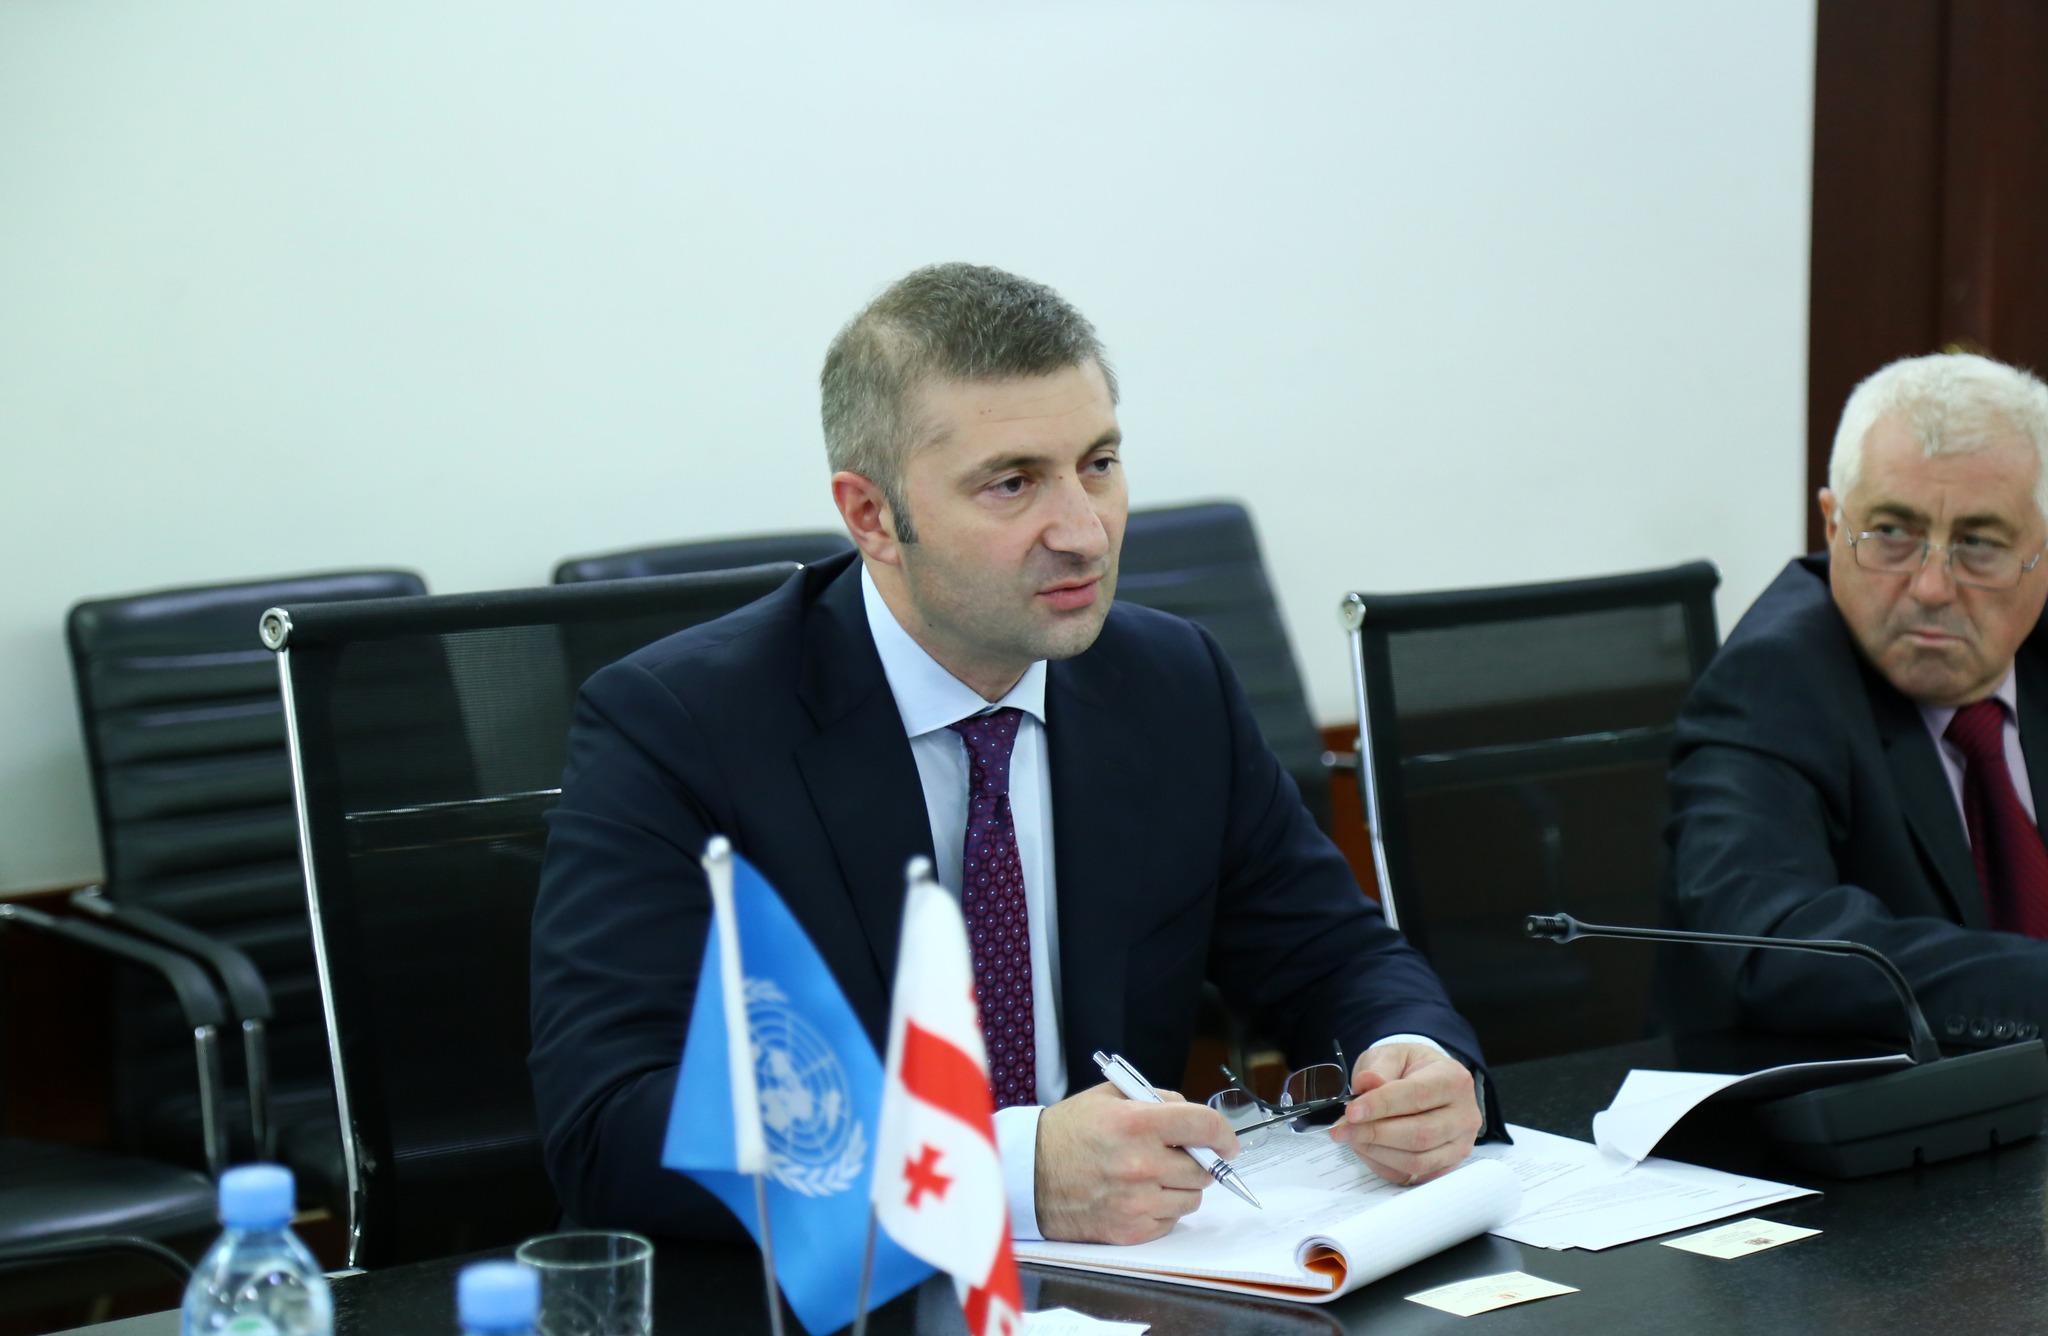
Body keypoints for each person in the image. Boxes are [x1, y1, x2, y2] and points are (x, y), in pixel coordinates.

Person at [530, 263, 1496, 1248]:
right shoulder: (678, 724)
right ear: (871, 517)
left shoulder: (1170, 681)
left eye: (1099, 463)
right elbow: (612, 1125)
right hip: (829, 1285)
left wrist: (1410, 1056)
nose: (1083, 532)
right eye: (1012, 483)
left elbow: (1327, 952)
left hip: (1136, 1275)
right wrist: (1006, 1168)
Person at [1666, 351, 2048, 1049]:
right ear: (1831, 524)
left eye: (1979, 543)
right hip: (1859, 1103)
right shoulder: (1771, 681)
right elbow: (1777, 944)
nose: (1931, 587)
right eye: (1892, 533)